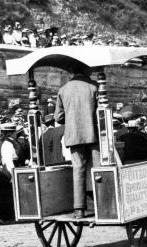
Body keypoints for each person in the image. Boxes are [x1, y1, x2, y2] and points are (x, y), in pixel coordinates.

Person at [55, 66, 100, 219]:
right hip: (94, 135)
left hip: (74, 136)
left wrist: (72, 116)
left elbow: (58, 117)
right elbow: (102, 112)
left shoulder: (63, 89)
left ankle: (79, 209)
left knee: (78, 170)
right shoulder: (94, 86)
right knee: (99, 169)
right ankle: (102, 204)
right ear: (87, 71)